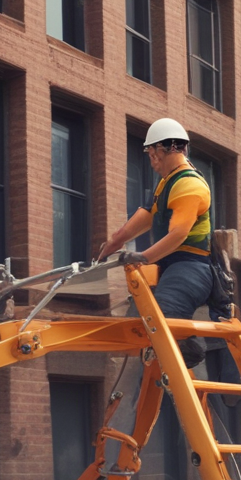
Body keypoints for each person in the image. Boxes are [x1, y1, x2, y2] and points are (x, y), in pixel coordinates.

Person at [96, 117, 213, 365]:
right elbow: (132, 228)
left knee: (164, 314)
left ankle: (190, 351)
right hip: (169, 267)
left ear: (167, 148)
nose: (151, 160)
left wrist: (144, 257)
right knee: (139, 323)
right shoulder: (165, 186)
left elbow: (178, 234)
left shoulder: (189, 185)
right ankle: (158, 365)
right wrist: (107, 250)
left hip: (191, 268)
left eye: (151, 152)